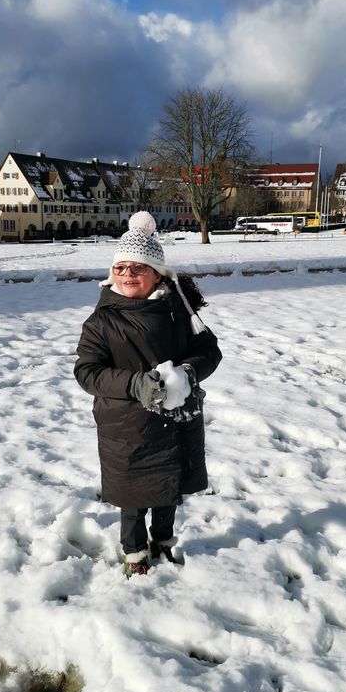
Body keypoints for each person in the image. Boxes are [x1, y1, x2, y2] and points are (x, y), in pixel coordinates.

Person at [74, 212, 222, 577]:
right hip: (127, 427)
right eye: (121, 267)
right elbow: (87, 371)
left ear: (157, 273)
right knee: (134, 497)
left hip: (176, 420)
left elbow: (210, 351)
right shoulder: (102, 321)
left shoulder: (178, 311)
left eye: (137, 267)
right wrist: (134, 384)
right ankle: (135, 552)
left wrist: (189, 371)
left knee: (169, 487)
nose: (127, 275)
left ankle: (164, 540)